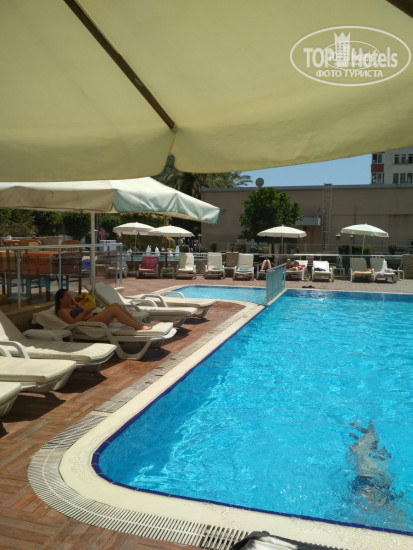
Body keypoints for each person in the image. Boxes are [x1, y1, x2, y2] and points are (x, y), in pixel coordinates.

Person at [55, 289, 152, 330]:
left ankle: (136, 323)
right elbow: (72, 323)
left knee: (115, 304)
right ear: (60, 299)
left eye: (70, 296)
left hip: (90, 318)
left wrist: (77, 304)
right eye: (67, 296)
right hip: (86, 323)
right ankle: (139, 326)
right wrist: (85, 312)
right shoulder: (62, 311)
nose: (70, 298)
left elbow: (84, 310)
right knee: (114, 309)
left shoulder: (71, 306)